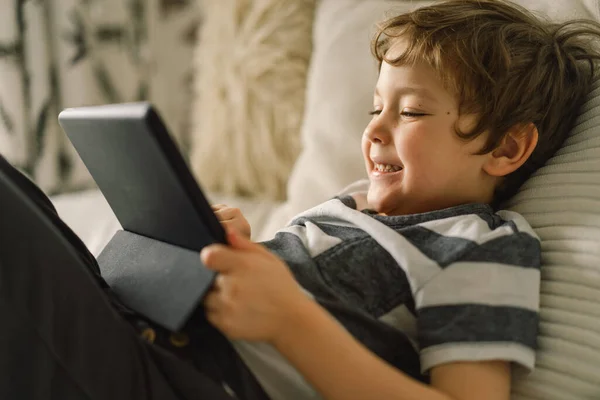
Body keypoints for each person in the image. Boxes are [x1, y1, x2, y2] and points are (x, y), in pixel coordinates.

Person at [0, 1, 598, 400]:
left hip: (182, 379)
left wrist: (290, 319)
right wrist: (228, 247)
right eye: (376, 107)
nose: (374, 130)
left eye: (412, 111)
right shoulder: (349, 203)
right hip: (138, 326)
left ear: (508, 148)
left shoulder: (483, 246)